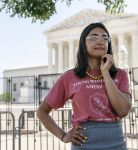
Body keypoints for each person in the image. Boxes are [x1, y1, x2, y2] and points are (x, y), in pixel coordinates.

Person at [37, 22, 132, 150]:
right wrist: (63, 135)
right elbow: (42, 112)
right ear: (83, 43)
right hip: (84, 143)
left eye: (105, 38)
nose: (100, 41)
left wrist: (105, 73)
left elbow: (123, 110)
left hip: (116, 142)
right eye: (93, 37)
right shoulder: (69, 77)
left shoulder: (120, 75)